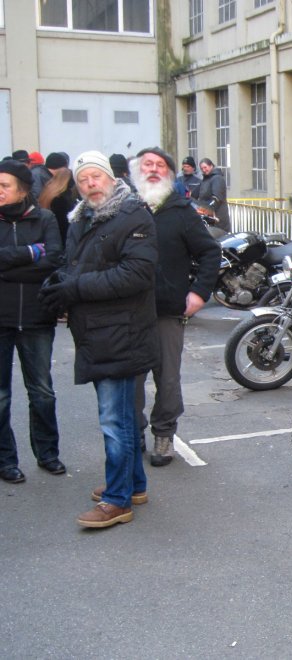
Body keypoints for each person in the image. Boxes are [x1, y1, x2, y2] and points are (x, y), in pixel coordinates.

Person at [39, 150, 158, 529]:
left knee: (115, 419)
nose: (91, 184)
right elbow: (76, 265)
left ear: (111, 179)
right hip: (98, 332)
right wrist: (59, 281)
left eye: (96, 177)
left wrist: (74, 287)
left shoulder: (133, 215)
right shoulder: (82, 219)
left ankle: (117, 500)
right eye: (83, 180)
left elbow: (136, 274)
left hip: (122, 332)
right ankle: (133, 485)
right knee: (118, 415)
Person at [131, 147, 219, 467]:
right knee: (131, 378)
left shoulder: (182, 211)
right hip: (128, 311)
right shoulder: (126, 209)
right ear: (137, 172)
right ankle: (134, 431)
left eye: (160, 165)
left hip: (168, 309)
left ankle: (164, 434)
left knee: (167, 378)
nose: (153, 170)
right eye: (147, 165)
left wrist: (198, 294)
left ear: (169, 174)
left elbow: (210, 253)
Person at [0, 159, 64, 484]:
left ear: (23, 189)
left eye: (4, 185)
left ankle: (48, 453)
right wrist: (30, 253)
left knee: (42, 391)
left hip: (38, 316)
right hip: (1, 318)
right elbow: (40, 258)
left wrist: (9, 265)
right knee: (0, 396)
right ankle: (5, 460)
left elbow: (54, 259)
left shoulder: (46, 218)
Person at [37, 164, 77, 249]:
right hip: (60, 239)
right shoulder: (61, 199)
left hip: (46, 235)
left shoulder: (48, 192)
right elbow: (63, 224)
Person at [197, 157, 230, 232]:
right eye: (202, 169)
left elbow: (217, 198)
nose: (204, 170)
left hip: (218, 218)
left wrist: (207, 210)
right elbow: (194, 194)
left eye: (205, 167)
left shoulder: (217, 179)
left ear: (211, 165)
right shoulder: (205, 180)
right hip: (209, 217)